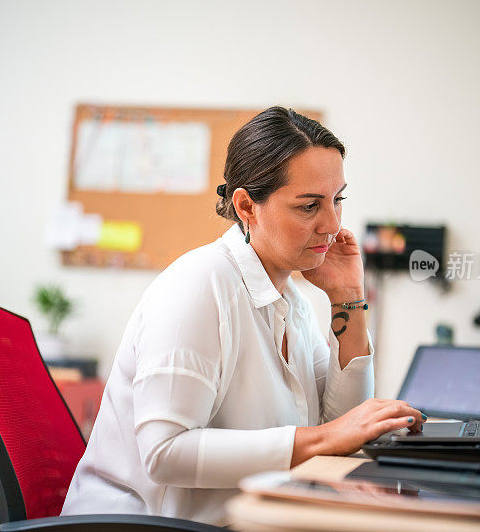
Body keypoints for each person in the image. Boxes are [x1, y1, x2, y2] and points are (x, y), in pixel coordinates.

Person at [61, 107, 425, 526]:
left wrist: (348, 299)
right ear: (247, 206)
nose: (332, 224)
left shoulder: (292, 302)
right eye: (309, 206)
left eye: (337, 200)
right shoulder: (199, 285)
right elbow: (165, 453)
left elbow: (341, 428)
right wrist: (326, 437)